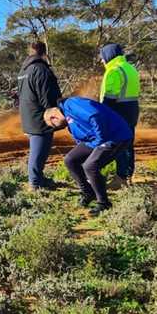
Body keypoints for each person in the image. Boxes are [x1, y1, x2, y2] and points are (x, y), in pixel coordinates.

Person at [43, 97, 132, 215]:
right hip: (97, 140)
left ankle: (103, 203)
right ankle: (88, 192)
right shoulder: (69, 122)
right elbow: (81, 140)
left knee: (90, 166)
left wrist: (100, 139)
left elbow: (95, 115)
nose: (56, 128)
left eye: (53, 126)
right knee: (70, 160)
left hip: (116, 136)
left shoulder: (71, 104)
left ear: (53, 117)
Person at [17, 41, 62, 191]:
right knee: (39, 150)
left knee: (38, 149)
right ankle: (35, 183)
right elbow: (47, 96)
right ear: (44, 52)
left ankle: (39, 179)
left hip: (28, 114)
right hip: (40, 117)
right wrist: (55, 110)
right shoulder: (41, 70)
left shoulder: (24, 70)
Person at [98, 43, 140, 187]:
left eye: (102, 57)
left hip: (118, 112)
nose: (101, 61)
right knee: (128, 144)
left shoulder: (114, 71)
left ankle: (120, 179)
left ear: (109, 56)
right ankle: (127, 176)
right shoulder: (130, 68)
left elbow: (110, 97)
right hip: (132, 110)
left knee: (119, 145)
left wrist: (102, 114)